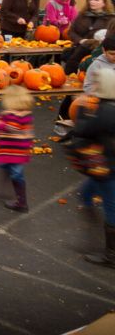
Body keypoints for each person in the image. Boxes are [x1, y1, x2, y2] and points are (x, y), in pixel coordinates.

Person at [72, 68, 115, 268]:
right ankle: (95, 234)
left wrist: (82, 108)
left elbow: (83, 129)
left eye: (98, 84)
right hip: (101, 166)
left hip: (107, 168)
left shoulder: (104, 111)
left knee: (111, 207)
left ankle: (111, 254)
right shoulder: (107, 108)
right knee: (86, 193)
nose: (94, 87)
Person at [0, 85, 34, 212]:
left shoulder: (20, 116)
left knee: (17, 174)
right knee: (6, 167)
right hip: (13, 150)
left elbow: (13, 128)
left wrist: (0, 123)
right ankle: (5, 189)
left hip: (16, 152)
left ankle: (21, 203)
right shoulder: (15, 114)